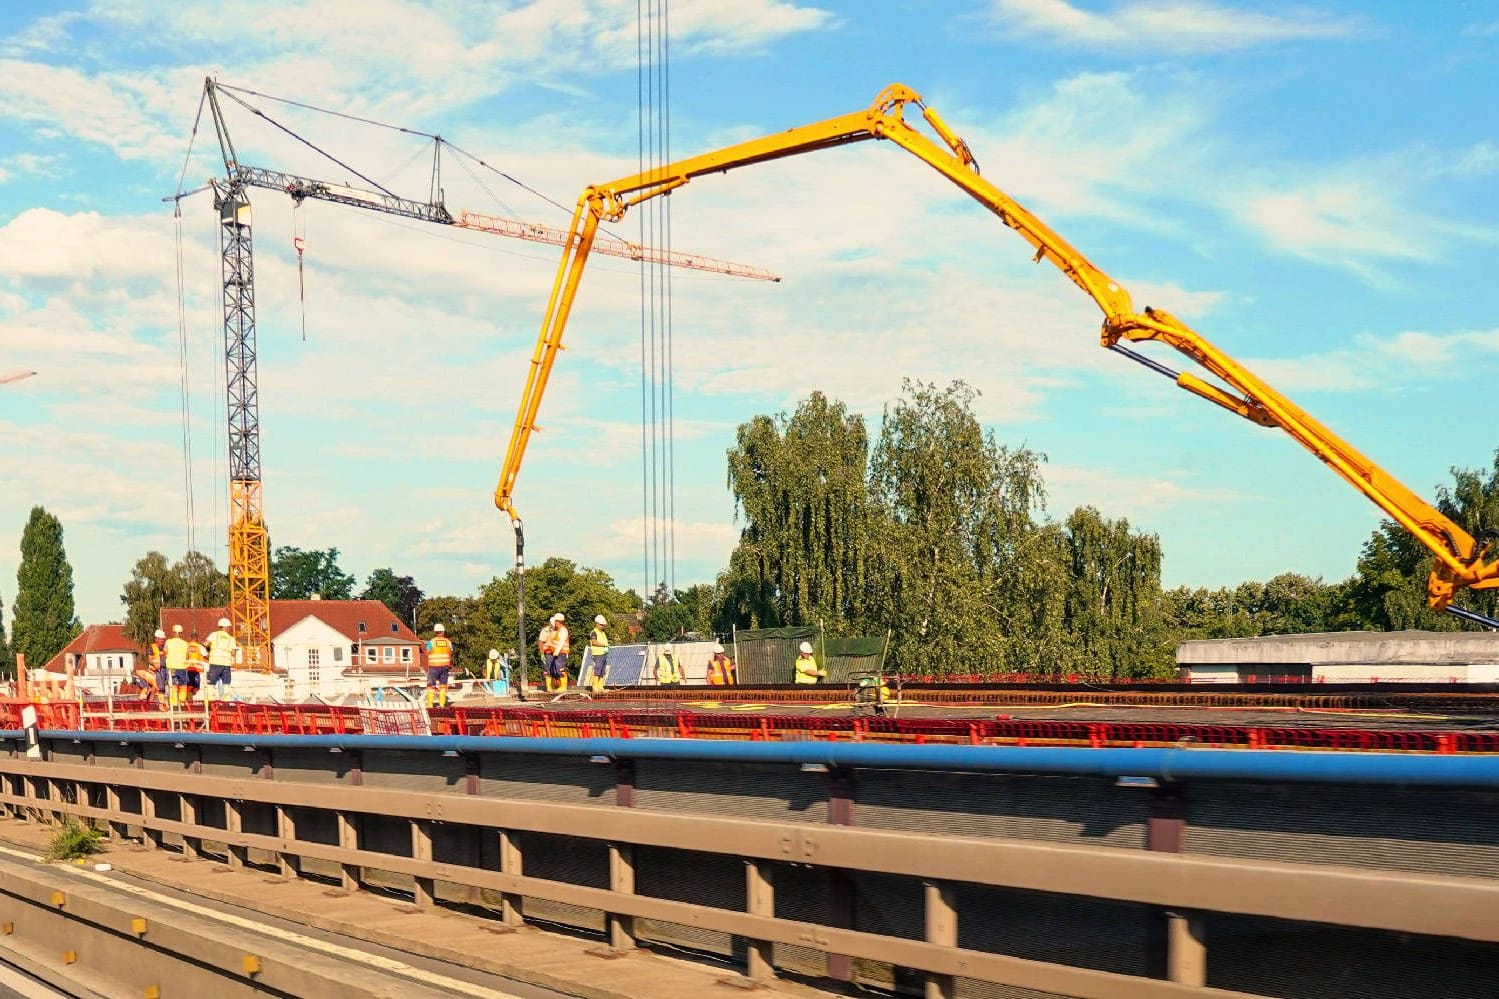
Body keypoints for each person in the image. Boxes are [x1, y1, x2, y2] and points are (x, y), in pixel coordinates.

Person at [204, 617, 239, 703]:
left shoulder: (213, 635)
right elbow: (233, 653)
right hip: (226, 664)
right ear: (226, 627)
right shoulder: (231, 638)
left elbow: (206, 644)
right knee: (226, 684)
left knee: (211, 684)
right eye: (229, 627)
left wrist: (209, 650)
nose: (229, 629)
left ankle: (211, 702)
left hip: (215, 662)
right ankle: (226, 703)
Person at [425, 623, 453, 707]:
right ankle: (442, 704)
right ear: (443, 631)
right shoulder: (448, 642)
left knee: (431, 686)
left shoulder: (432, 642)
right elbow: (451, 652)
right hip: (445, 667)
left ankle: (430, 704)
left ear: (435, 632)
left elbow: (427, 653)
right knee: (443, 686)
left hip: (434, 667)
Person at [164, 624, 190, 707]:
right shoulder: (185, 643)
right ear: (181, 633)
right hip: (182, 667)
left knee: (173, 685)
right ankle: (182, 703)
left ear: (174, 632)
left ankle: (174, 704)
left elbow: (165, 653)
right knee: (183, 685)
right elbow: (187, 656)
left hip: (171, 667)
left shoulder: (168, 642)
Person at [545, 613, 570, 693]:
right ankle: (550, 688)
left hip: (561, 652)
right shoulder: (554, 630)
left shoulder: (563, 630)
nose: (554, 623)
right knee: (551, 670)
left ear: (559, 621)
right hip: (554, 652)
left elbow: (561, 642)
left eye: (556, 621)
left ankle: (563, 687)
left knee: (560, 669)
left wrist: (556, 651)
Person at [586, 614, 610, 692]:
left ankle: (600, 687)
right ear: (597, 624)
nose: (603, 626)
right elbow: (594, 642)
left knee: (602, 671)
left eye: (604, 625)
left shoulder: (602, 633)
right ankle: (595, 687)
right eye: (602, 625)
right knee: (598, 670)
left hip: (603, 654)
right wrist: (603, 645)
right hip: (597, 654)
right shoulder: (594, 632)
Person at [184, 632, 206, 703]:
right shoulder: (200, 646)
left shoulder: (186, 646)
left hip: (188, 668)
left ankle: (189, 698)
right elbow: (206, 655)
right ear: (197, 638)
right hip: (196, 669)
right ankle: (190, 700)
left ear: (190, 638)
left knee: (190, 685)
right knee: (196, 687)